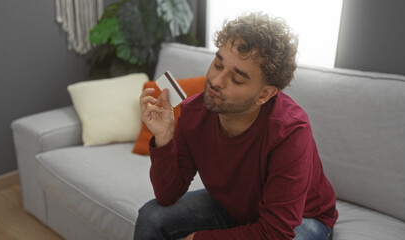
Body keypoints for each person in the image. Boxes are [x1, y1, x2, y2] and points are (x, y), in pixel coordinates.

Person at [136, 12, 338, 240]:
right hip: (235, 208)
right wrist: (163, 137)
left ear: (264, 94)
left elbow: (275, 233)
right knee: (151, 216)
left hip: (303, 219)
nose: (215, 81)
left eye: (237, 79)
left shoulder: (289, 131)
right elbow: (167, 196)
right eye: (217, 64)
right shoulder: (194, 112)